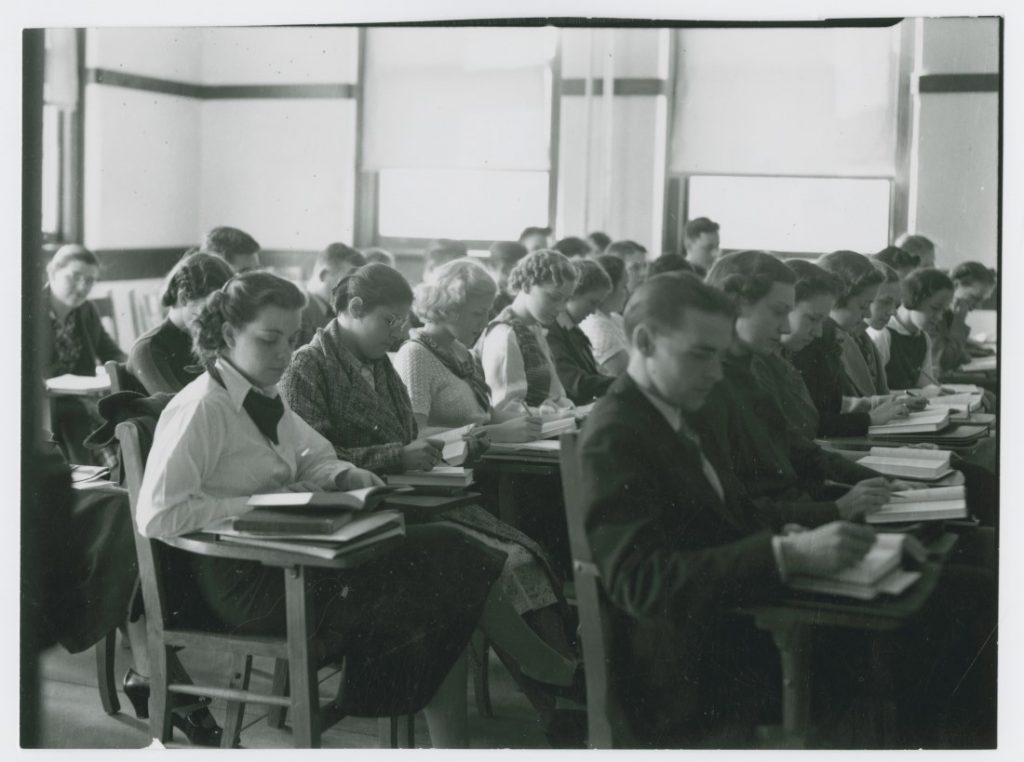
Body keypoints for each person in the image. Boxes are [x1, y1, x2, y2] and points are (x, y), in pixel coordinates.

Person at [134, 271, 515, 748]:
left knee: (447, 558)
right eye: (269, 339)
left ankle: (425, 730)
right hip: (244, 585)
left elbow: (314, 453)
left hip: (291, 561)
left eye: (291, 339)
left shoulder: (265, 393)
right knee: (441, 565)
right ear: (228, 336)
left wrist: (344, 475)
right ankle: (427, 725)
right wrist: (261, 504)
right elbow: (158, 514)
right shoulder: (203, 409)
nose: (284, 355)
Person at [277, 263, 583, 742]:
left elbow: (406, 432)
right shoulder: (307, 367)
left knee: (519, 556)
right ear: (353, 310)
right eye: (390, 321)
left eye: (404, 321)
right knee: (483, 568)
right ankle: (559, 690)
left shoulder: (379, 359)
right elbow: (311, 460)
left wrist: (438, 448)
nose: (401, 333)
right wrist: (400, 454)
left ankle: (559, 694)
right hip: (364, 514)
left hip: (415, 498)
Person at [579, 272, 876, 745]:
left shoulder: (674, 412)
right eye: (701, 354)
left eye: (720, 355)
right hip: (684, 670)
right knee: (887, 658)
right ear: (643, 341)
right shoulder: (617, 434)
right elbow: (640, 584)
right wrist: (785, 555)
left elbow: (735, 515)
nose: (717, 373)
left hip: (721, 629)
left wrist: (800, 532)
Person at [697, 252, 893, 528]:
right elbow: (738, 508)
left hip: (799, 509)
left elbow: (800, 450)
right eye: (778, 312)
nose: (787, 326)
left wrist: (886, 481)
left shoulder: (745, 371)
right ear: (734, 304)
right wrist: (837, 509)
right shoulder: (710, 386)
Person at [788, 252, 920, 438]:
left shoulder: (843, 340)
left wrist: (878, 404)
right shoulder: (809, 345)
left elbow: (830, 405)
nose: (867, 314)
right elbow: (816, 421)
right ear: (839, 300)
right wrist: (870, 416)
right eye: (863, 305)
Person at [42, 244, 126, 465]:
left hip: (82, 397)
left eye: (90, 280)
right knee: (82, 415)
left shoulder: (86, 311)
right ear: (52, 272)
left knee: (123, 410)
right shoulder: (28, 309)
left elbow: (110, 351)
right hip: (44, 402)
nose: (82, 287)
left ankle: (120, 475)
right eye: (75, 277)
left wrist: (134, 366)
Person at [475, 250, 577, 419]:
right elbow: (504, 409)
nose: (561, 309)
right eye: (553, 297)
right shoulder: (504, 334)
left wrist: (570, 410)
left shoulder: (533, 328)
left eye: (566, 300)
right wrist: (558, 415)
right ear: (526, 285)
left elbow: (555, 395)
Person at [128, 251, 234, 394]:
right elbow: (177, 409)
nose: (218, 318)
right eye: (210, 309)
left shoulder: (215, 340)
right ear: (183, 297)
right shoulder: (149, 348)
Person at [867, 268, 953, 390]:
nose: (939, 317)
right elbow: (874, 392)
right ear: (913, 299)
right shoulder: (883, 334)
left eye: (943, 311)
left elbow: (925, 385)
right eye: (935, 308)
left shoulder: (924, 338)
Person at [545, 259, 616, 404]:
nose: (594, 310)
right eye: (592, 302)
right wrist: (624, 384)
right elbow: (574, 382)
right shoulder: (551, 331)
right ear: (572, 294)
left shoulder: (572, 329)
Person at [297, 242, 366, 347]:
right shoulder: (298, 311)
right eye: (348, 281)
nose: (356, 290)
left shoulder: (338, 311)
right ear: (324, 275)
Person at [936, 262, 997, 373]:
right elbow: (945, 362)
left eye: (982, 301)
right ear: (955, 285)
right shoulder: (934, 314)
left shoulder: (948, 314)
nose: (977, 306)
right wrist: (959, 319)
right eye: (974, 298)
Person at [579, 254, 630, 377]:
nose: (627, 293)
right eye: (623, 287)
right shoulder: (599, 326)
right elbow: (623, 373)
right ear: (609, 288)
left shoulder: (614, 318)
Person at [486, 241, 528, 319]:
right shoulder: (488, 299)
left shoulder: (523, 295)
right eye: (508, 268)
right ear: (491, 267)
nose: (514, 276)